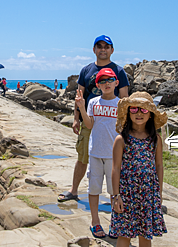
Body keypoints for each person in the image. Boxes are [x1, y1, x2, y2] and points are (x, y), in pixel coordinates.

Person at [58, 35, 129, 204]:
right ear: (94, 50)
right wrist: (76, 118)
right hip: (89, 119)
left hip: (113, 124)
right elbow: (80, 96)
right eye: (99, 46)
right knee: (83, 156)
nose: (103, 49)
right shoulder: (86, 70)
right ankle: (73, 190)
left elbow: (125, 99)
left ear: (112, 50)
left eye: (106, 46)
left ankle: (119, 196)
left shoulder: (119, 71)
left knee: (117, 160)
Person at [109, 91, 168, 245]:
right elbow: (115, 168)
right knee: (124, 234)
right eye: (134, 109)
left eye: (144, 110)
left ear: (150, 115)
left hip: (148, 193)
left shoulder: (156, 140)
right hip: (126, 193)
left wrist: (159, 192)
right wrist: (116, 196)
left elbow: (159, 166)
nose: (139, 113)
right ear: (128, 113)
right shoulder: (121, 139)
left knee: (145, 235)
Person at [75, 68, 120, 239]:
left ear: (116, 82)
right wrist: (81, 108)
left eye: (110, 80)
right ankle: (95, 222)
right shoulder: (93, 102)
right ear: (97, 85)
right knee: (94, 189)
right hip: (95, 153)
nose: (106, 83)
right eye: (102, 81)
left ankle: (116, 223)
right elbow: (90, 124)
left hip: (114, 156)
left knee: (114, 191)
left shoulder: (121, 104)